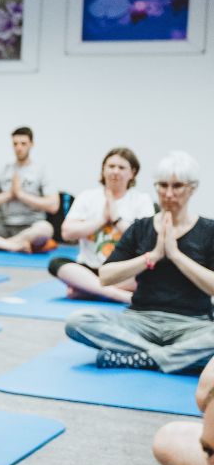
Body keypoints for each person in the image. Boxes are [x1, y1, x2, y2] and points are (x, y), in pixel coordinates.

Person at [65, 151, 214, 372]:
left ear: (192, 188)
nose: (169, 194)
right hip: (140, 320)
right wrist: (150, 257)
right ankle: (169, 359)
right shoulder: (140, 228)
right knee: (78, 321)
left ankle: (139, 357)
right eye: (163, 186)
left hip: (193, 324)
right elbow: (105, 277)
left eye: (177, 186)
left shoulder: (208, 231)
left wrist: (176, 256)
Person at [50, 147, 155, 303]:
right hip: (90, 270)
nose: (115, 172)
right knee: (56, 264)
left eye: (121, 167)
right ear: (103, 169)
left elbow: (146, 240)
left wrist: (116, 219)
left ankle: (88, 290)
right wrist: (101, 220)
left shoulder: (142, 200)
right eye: (111, 166)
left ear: (132, 172)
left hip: (123, 273)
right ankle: (118, 295)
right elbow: (66, 232)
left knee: (152, 273)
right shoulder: (87, 197)